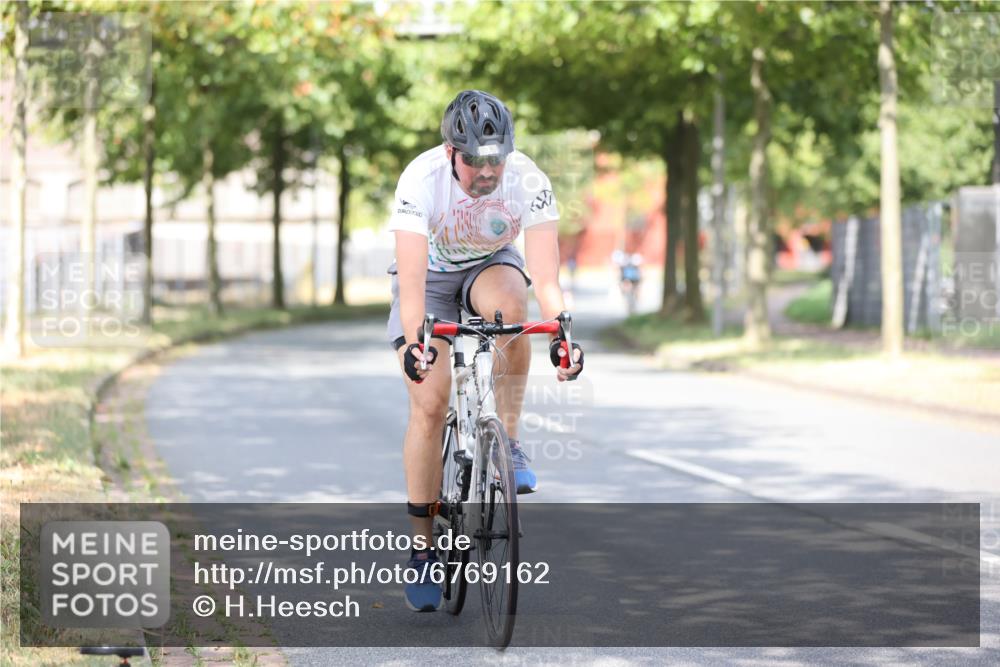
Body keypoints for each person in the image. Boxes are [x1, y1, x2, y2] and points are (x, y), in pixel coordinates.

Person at [385, 90, 584, 611]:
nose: (484, 172)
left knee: (512, 314)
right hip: (428, 278)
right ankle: (422, 548)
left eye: (494, 159)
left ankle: (509, 444)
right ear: (450, 151)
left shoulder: (529, 181)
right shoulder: (420, 179)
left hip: (490, 264)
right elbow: (409, 283)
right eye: (472, 160)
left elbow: (545, 276)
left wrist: (563, 334)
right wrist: (413, 344)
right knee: (429, 404)